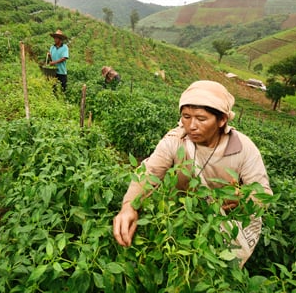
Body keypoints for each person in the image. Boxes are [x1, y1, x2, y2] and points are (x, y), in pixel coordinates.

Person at [112, 80, 273, 267]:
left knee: (216, 268)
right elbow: (149, 172)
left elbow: (263, 195)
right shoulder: (175, 141)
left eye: (201, 119)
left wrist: (243, 198)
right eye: (186, 117)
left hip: (223, 224)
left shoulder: (243, 149)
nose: (191, 126)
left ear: (222, 120)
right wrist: (129, 206)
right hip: (183, 216)